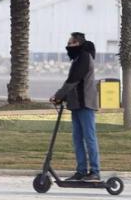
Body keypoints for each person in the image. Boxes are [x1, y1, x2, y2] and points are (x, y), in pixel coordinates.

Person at [51, 32, 101, 182]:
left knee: (89, 138)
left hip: (85, 103)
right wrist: (63, 97)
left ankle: (95, 172)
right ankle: (81, 171)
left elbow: (74, 80)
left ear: (77, 43)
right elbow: (73, 84)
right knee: (77, 138)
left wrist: (58, 95)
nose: (68, 46)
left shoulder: (84, 57)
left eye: (70, 43)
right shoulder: (78, 58)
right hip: (76, 104)